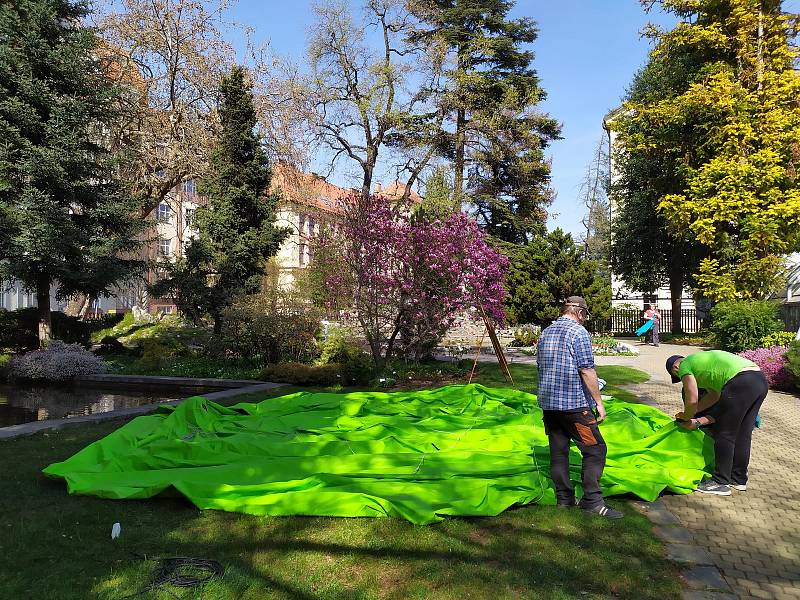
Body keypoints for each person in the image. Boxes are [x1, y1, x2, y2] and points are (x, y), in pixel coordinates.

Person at [537, 296, 623, 519]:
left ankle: (564, 500)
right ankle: (592, 501)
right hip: (574, 407)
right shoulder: (578, 332)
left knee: (559, 452)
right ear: (580, 313)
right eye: (585, 316)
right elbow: (587, 370)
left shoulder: (546, 332)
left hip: (549, 406)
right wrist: (599, 402)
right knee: (595, 450)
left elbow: (542, 367)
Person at [666, 351, 768, 496]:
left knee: (725, 434)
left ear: (675, 368)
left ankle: (720, 482)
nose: (681, 379)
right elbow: (714, 396)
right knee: (742, 434)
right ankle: (738, 479)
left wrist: (686, 416)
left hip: (740, 382)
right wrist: (693, 414)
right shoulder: (702, 364)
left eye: (678, 378)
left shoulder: (684, 366)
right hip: (759, 380)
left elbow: (692, 399)